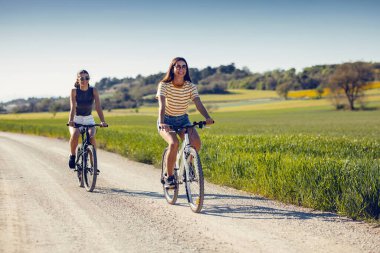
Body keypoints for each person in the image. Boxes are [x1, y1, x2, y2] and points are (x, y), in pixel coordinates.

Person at [156, 57, 214, 188]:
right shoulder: (164, 85)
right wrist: (162, 122)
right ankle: (169, 177)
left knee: (196, 143)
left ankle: (189, 165)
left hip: (183, 120)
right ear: (172, 68)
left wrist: (207, 117)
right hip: (166, 120)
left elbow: (198, 103)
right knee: (174, 143)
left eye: (184, 66)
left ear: (186, 69)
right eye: (178, 66)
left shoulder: (190, 86)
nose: (181, 69)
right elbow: (162, 106)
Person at [68, 70, 108, 169]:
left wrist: (102, 121)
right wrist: (71, 120)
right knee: (75, 134)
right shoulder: (74, 91)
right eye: (82, 78)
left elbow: (98, 107)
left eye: (87, 78)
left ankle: (93, 163)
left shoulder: (93, 90)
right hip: (76, 119)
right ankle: (72, 156)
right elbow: (73, 107)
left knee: (91, 136)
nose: (84, 80)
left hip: (89, 119)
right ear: (77, 79)